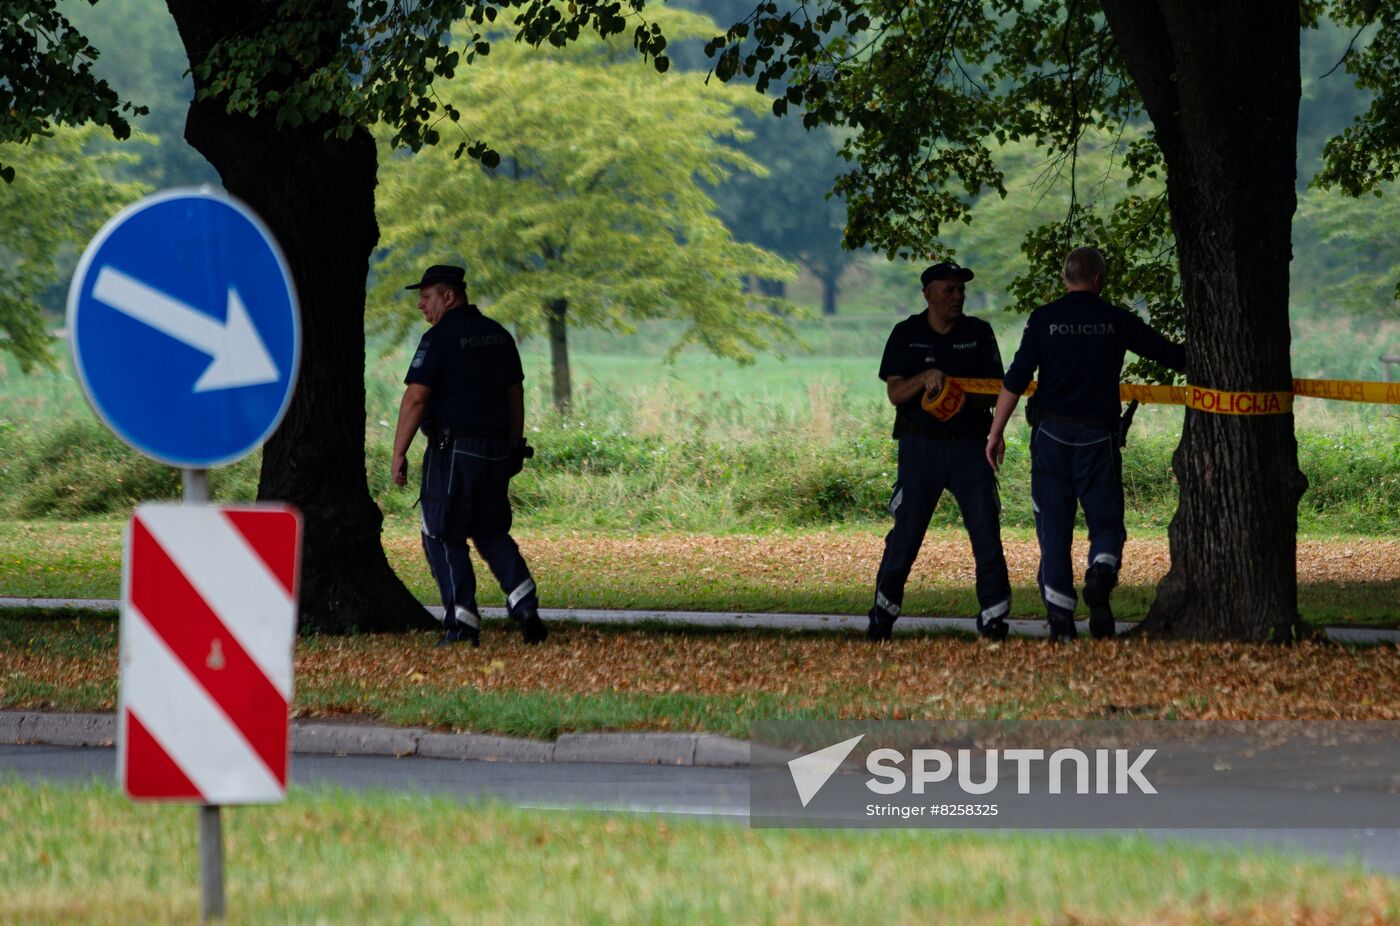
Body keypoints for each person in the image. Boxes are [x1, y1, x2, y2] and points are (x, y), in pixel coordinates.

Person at [985, 247, 1185, 641]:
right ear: (1098, 280)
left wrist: (995, 432)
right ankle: (1102, 572)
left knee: (1054, 531)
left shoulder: (1043, 320)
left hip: (1051, 439)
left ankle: (1061, 623)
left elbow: (1016, 377)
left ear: (1066, 278)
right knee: (1106, 521)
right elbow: (1167, 353)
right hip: (1099, 438)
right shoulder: (1115, 320)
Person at [391, 264, 547, 647]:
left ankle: (462, 626)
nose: (420, 306)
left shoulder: (439, 338)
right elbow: (516, 394)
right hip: (496, 449)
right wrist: (513, 442)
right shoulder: (499, 336)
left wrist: (398, 454)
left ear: (449, 296)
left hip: (454, 450)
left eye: (426, 298)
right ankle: (525, 606)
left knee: (442, 533)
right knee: (491, 530)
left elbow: (415, 397)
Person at [867, 261, 1013, 643]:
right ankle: (881, 618)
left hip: (969, 448)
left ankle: (995, 621)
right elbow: (895, 393)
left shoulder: (979, 333)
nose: (957, 296)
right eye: (948, 290)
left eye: (961, 290)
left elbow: (998, 388)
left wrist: (957, 392)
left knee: (986, 531)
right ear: (928, 294)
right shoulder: (906, 333)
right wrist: (924, 379)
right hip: (921, 449)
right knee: (906, 534)